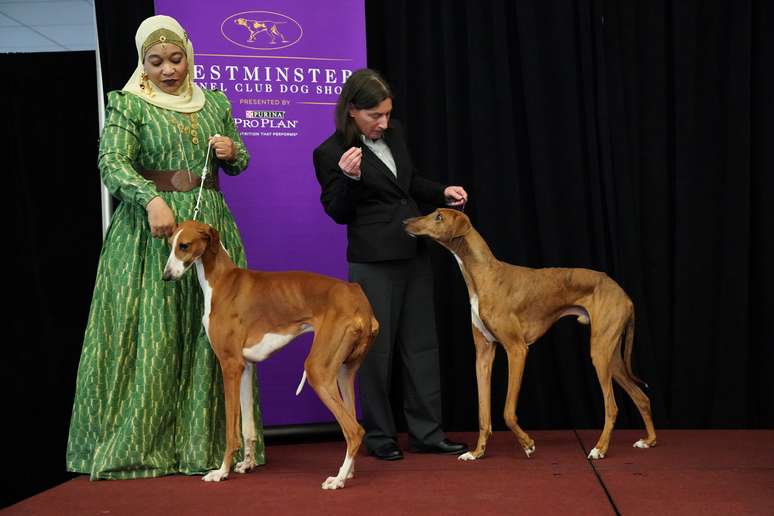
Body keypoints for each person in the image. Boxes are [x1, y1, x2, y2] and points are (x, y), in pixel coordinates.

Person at [66, 15, 265, 479]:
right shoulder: (129, 105)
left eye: (176, 59)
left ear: (188, 56)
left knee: (215, 332)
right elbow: (111, 161)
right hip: (151, 233)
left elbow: (240, 158)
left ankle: (215, 446)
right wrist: (149, 198)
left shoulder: (213, 103)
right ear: (143, 63)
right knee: (154, 331)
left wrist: (232, 153)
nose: (168, 70)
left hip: (209, 229)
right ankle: (145, 446)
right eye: (155, 62)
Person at [313, 69, 469, 461]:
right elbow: (337, 212)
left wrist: (441, 192)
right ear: (352, 111)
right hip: (373, 262)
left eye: (387, 114)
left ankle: (428, 432)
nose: (384, 122)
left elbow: (409, 182)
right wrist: (348, 179)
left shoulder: (395, 133)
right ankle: (380, 437)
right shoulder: (330, 153)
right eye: (375, 116)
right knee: (374, 353)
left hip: (414, 253)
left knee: (422, 347)